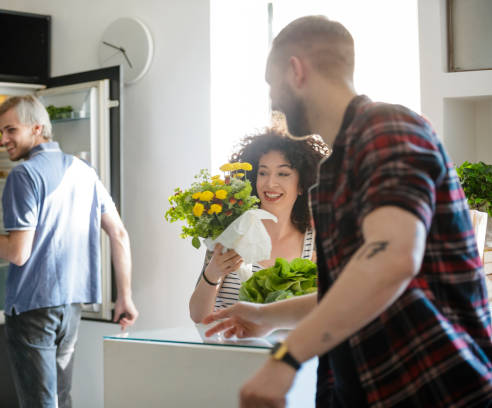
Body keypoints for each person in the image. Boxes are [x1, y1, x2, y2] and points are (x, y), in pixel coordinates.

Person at [203, 15, 492, 407]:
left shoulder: (388, 127)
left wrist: (287, 358)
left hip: (435, 390)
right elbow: (350, 290)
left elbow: (390, 259)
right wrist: (264, 314)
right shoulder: (335, 172)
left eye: (271, 84)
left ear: (295, 70)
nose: (272, 99)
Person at [0, 95, 138, 408]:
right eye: (2, 131)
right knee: (60, 399)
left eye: (11, 130)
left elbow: (18, 253)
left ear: (38, 128)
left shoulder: (24, 175)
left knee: (39, 403)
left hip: (32, 309)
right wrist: (125, 296)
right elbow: (119, 233)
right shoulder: (83, 170)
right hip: (71, 306)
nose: (3, 139)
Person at [189, 127, 327, 323]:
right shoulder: (232, 233)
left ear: (302, 184)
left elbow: (319, 314)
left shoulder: (314, 243)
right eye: (263, 173)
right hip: (227, 349)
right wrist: (213, 272)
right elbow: (198, 316)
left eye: (283, 174)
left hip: (283, 352)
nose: (270, 183)